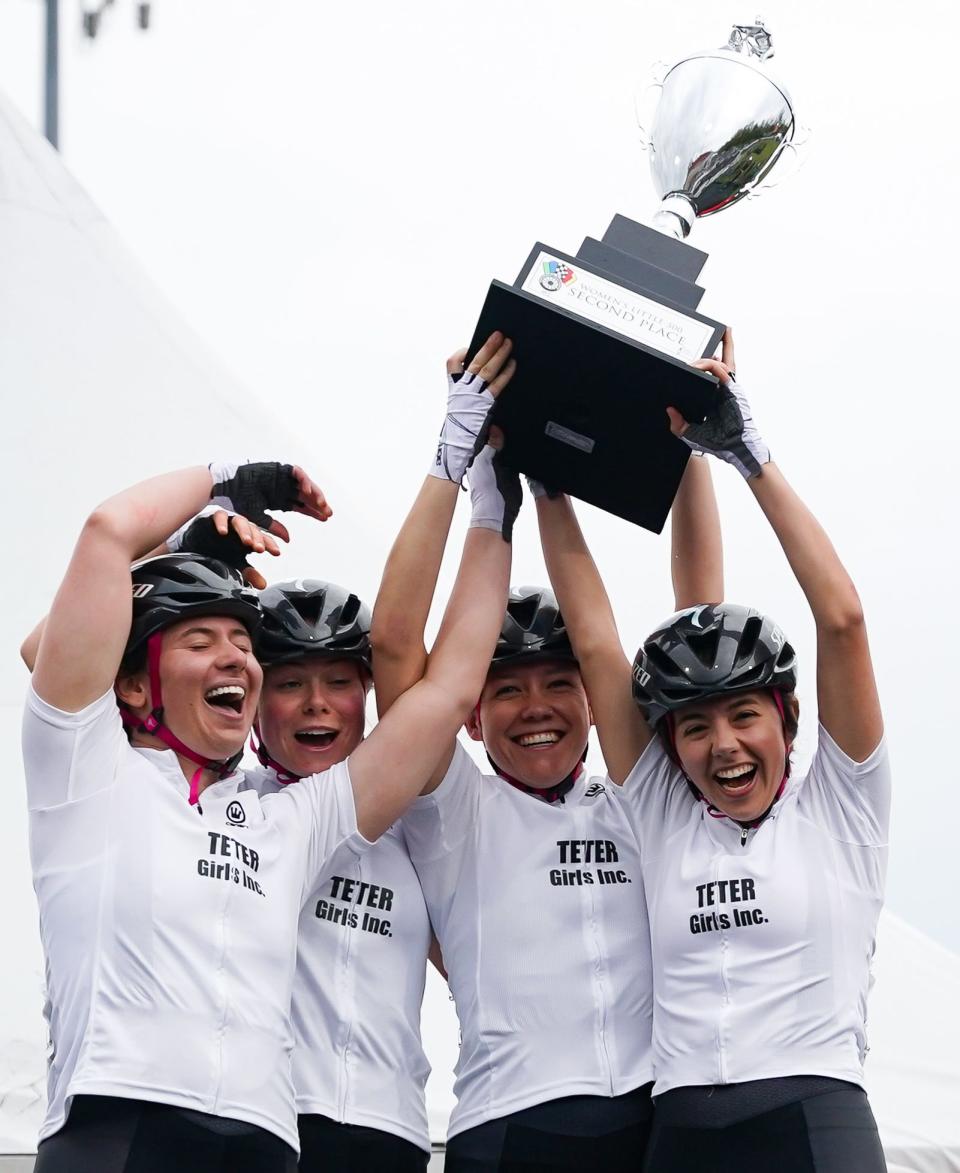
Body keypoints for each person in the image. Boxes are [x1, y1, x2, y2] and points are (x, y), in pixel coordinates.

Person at [23, 438, 516, 1172]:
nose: (235, 658)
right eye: (201, 639)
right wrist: (220, 483)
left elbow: (444, 694)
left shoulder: (289, 818)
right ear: (132, 684)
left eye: (243, 644)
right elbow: (103, 536)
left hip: (264, 1141)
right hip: (120, 1120)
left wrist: (494, 511)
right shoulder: (88, 773)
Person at [370, 333, 724, 1172]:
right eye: (506, 688)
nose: (536, 708)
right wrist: (472, 487)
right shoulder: (450, 802)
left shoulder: (642, 797)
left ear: (597, 705)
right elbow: (394, 649)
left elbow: (698, 614)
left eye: (559, 683)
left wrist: (694, 447)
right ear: (468, 713)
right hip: (510, 1127)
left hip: (652, 1122)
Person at [536, 351, 889, 1172]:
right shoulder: (662, 811)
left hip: (815, 1119)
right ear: (671, 744)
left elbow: (842, 620)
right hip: (682, 1130)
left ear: (788, 717)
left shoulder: (843, 805)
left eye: (742, 715)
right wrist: (544, 481)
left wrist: (745, 454)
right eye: (695, 727)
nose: (723, 744)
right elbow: (594, 640)